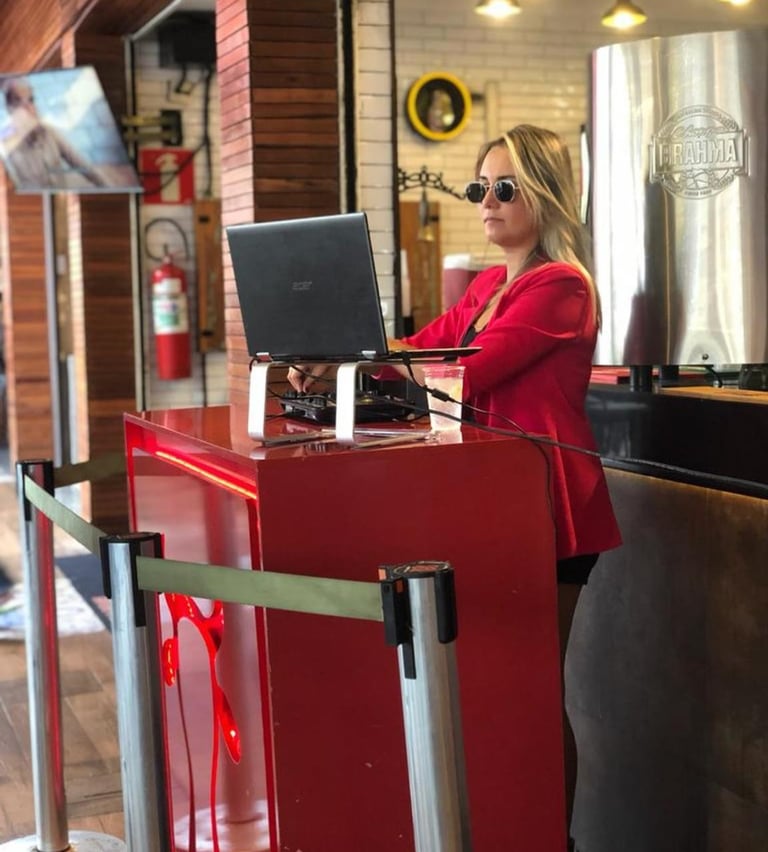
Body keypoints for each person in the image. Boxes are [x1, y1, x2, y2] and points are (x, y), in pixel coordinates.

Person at [289, 124, 622, 850]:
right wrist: (340, 360)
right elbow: (421, 345)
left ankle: (551, 839)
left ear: (545, 194)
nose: (487, 202)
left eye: (504, 188)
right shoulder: (487, 285)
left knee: (532, 689)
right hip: (492, 503)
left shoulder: (562, 286)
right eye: (480, 188)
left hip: (551, 507)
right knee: (496, 687)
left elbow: (465, 367)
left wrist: (364, 360)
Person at [0, 76, 107, 191]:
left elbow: (80, 163)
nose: (29, 107)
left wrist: (105, 186)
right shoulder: (6, 145)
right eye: (18, 102)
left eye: (31, 100)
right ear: (10, 109)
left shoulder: (49, 132)